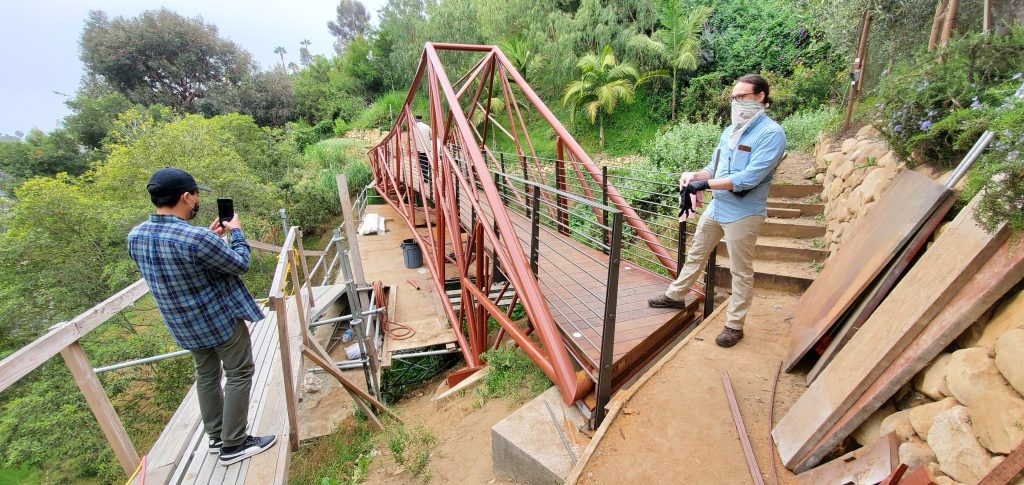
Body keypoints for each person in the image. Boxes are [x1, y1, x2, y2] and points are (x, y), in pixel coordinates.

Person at [127, 167, 276, 465]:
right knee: (239, 372)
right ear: (186, 196)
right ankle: (234, 444)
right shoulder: (195, 238)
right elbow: (239, 264)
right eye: (195, 195)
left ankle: (217, 437)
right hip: (218, 320)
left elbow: (176, 259)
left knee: (206, 374)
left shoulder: (136, 236)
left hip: (182, 325)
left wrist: (209, 237)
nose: (197, 201)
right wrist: (236, 232)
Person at [648, 74, 786, 348]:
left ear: (760, 97)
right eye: (734, 98)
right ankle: (675, 296)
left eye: (742, 97)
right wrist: (693, 175)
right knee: (696, 253)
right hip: (717, 207)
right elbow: (714, 169)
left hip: (744, 213)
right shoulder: (729, 131)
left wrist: (706, 184)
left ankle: (735, 325)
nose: (736, 102)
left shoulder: (772, 134)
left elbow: (748, 178)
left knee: (740, 270)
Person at [415, 114, 432, 197]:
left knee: (422, 163)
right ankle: (428, 175)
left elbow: (412, 138)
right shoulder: (427, 126)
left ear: (415, 119)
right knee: (427, 162)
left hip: (419, 148)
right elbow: (431, 137)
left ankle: (425, 178)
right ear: (421, 119)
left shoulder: (413, 127)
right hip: (427, 148)